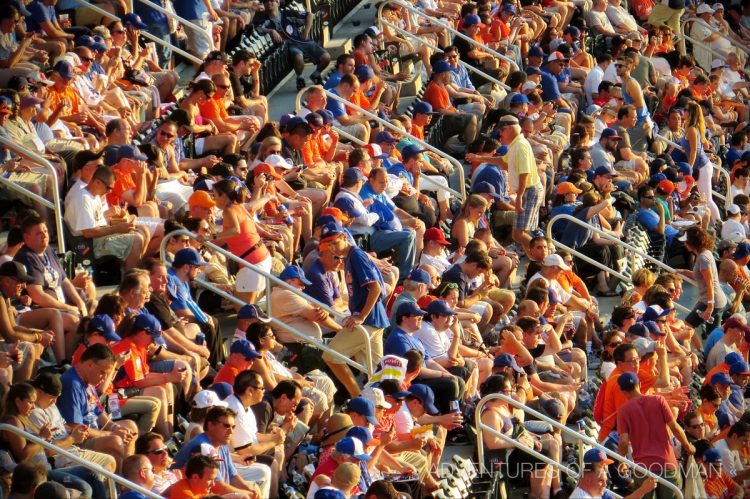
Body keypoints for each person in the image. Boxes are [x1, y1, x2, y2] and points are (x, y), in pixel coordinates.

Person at [617, 372, 694, 497]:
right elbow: (675, 427)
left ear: (622, 391)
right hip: (667, 463)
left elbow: (624, 442)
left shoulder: (623, 410)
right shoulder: (658, 400)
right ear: (639, 384)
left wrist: (622, 461)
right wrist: (687, 445)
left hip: (643, 468)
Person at [172, 406, 261, 498]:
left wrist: (249, 490)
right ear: (211, 425)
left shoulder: (222, 444)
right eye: (226, 426)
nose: (231, 431)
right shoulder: (202, 447)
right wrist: (246, 494)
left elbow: (233, 475)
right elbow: (217, 486)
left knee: (254, 489)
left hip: (211, 493)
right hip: (193, 495)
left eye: (233, 427)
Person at [500, 115, 543, 256]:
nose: (501, 133)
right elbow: (502, 162)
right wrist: (480, 158)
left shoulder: (520, 146)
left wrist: (518, 198)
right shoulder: (515, 145)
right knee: (517, 234)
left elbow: (524, 173)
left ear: (511, 129)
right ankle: (535, 260)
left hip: (528, 191)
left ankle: (544, 258)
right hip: (528, 190)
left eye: (503, 129)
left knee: (519, 234)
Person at [679, 227, 727, 331]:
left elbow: (709, 282)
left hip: (711, 302)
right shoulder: (706, 253)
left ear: (693, 242)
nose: (685, 244)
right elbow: (700, 276)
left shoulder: (702, 258)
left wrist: (710, 307)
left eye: (686, 242)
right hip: (718, 301)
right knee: (713, 334)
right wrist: (683, 272)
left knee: (687, 325)